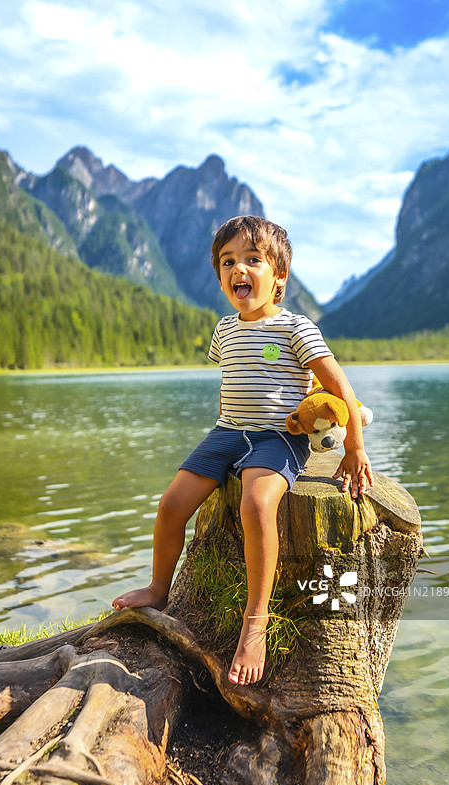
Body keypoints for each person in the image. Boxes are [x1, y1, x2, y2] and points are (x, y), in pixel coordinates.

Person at [112, 215, 373, 686]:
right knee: (170, 505)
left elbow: (340, 386)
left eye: (253, 259)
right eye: (228, 261)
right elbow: (235, 378)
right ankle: (158, 588)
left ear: (279, 276)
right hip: (227, 433)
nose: (240, 269)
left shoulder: (296, 328)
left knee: (255, 504)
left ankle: (256, 622)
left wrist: (354, 447)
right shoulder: (224, 331)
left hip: (279, 438)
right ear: (220, 277)